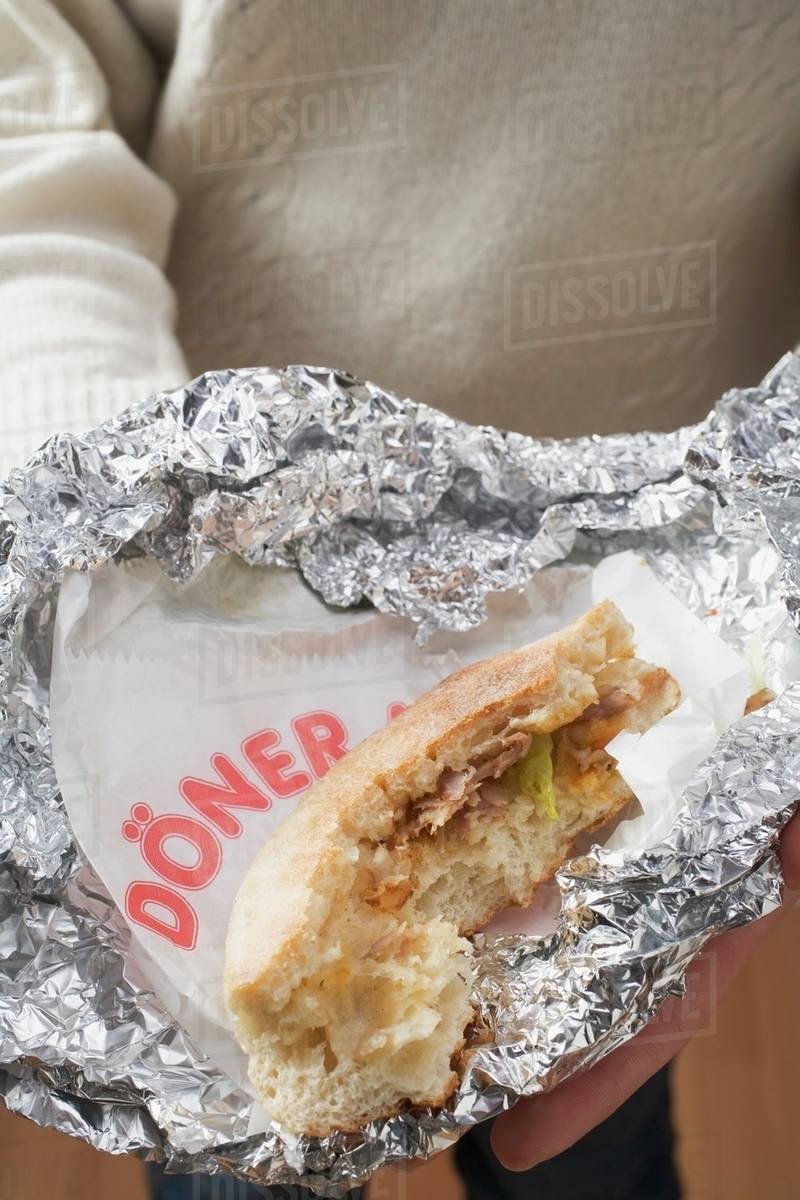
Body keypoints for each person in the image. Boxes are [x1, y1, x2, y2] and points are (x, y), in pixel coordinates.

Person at [1, 3, 799, 1197]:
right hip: (214, 551)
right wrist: (105, 554)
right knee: (227, 1129)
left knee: (594, 1115)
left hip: (669, 527)